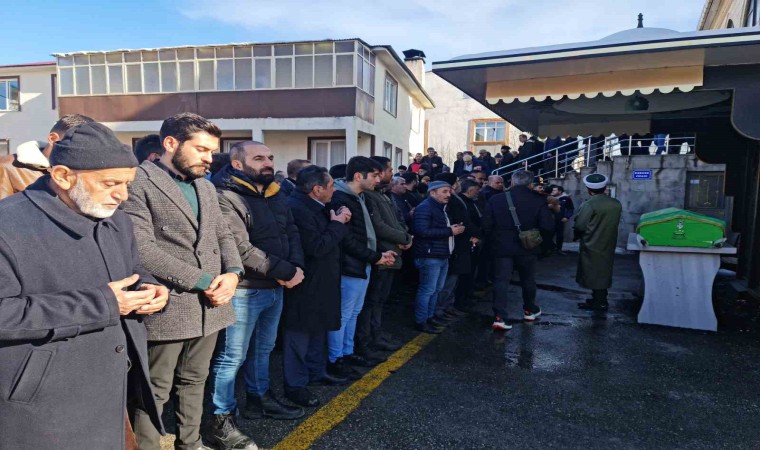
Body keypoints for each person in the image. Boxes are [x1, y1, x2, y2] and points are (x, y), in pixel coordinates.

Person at [0, 122, 167, 449]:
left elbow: (131, 269)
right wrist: (104, 304)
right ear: (63, 176)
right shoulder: (7, 225)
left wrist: (150, 288)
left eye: (127, 183)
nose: (122, 195)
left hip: (111, 388)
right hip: (43, 407)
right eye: (110, 183)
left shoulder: (117, 219)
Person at [123, 113, 244, 450]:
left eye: (212, 151)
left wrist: (234, 273)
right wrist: (205, 280)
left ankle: (191, 444)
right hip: (168, 306)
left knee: (195, 381)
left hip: (211, 305)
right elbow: (142, 249)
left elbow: (223, 235)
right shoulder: (138, 181)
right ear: (170, 143)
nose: (210, 158)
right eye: (202, 149)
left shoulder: (205, 186)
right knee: (154, 391)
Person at [204, 141, 307, 448]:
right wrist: (285, 271)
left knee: (263, 349)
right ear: (237, 164)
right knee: (231, 357)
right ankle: (220, 419)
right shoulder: (224, 196)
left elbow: (291, 231)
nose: (268, 162)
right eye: (259, 158)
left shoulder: (275, 194)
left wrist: (295, 267)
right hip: (245, 290)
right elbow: (240, 247)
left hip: (276, 286)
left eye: (270, 157)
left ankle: (258, 398)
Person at [283, 166, 352, 408]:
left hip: (320, 281)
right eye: (331, 186)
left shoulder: (315, 206)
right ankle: (295, 385)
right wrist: (338, 224)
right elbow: (317, 247)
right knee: (299, 336)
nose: (335, 190)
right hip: (306, 283)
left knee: (317, 330)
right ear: (317, 189)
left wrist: (337, 221)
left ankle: (316, 371)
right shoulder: (298, 209)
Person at [327, 156, 396, 378]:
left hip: (362, 263)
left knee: (353, 313)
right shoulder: (341, 198)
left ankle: (347, 353)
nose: (379, 179)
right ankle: (335, 359)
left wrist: (377, 255)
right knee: (343, 316)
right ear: (358, 176)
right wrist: (375, 257)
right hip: (350, 266)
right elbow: (347, 240)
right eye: (375, 175)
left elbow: (365, 234)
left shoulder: (359, 197)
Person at [356, 156, 413, 358]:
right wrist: (403, 238)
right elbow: (378, 226)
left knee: (380, 300)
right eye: (389, 170)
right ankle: (365, 341)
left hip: (392, 253)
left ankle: (376, 334)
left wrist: (406, 236)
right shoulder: (370, 196)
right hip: (382, 255)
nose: (391, 174)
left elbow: (397, 221)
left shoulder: (383, 195)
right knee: (371, 301)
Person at [484, 170, 554, 330]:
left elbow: (486, 224)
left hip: (501, 245)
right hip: (528, 246)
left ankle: (500, 317)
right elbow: (547, 226)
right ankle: (529, 309)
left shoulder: (496, 199)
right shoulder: (538, 200)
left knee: (501, 281)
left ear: (512, 182)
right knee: (528, 279)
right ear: (531, 184)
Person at [0, 114, 94, 200]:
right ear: (53, 139)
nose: (83, 150)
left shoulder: (90, 170)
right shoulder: (8, 167)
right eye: (78, 143)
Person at [412, 180, 464, 333]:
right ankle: (421, 321)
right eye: (444, 192)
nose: (449, 194)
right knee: (428, 289)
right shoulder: (425, 208)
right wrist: (450, 231)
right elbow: (421, 231)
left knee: (436, 289)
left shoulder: (440, 208)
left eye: (449, 191)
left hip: (440, 254)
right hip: (430, 255)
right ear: (433, 193)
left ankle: (429, 317)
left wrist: (451, 230)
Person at [432, 173, 479, 323]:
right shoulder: (450, 201)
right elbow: (461, 221)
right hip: (455, 245)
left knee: (453, 280)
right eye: (456, 181)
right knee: (448, 281)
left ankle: (448, 306)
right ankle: (439, 309)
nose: (459, 184)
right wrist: (476, 232)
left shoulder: (455, 198)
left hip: (459, 244)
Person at [574, 174, 622, 312]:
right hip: (609, 241)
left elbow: (580, 225)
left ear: (589, 189)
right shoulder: (616, 203)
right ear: (605, 188)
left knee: (593, 272)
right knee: (604, 271)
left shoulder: (589, 204)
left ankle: (599, 302)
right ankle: (600, 299)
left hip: (592, 242)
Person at [550, 185, 575, 254]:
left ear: (560, 191)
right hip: (549, 220)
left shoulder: (566, 198)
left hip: (560, 220)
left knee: (560, 235)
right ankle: (550, 249)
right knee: (548, 235)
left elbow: (571, 208)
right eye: (552, 190)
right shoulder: (549, 197)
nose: (552, 191)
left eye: (554, 190)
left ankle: (559, 249)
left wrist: (567, 217)